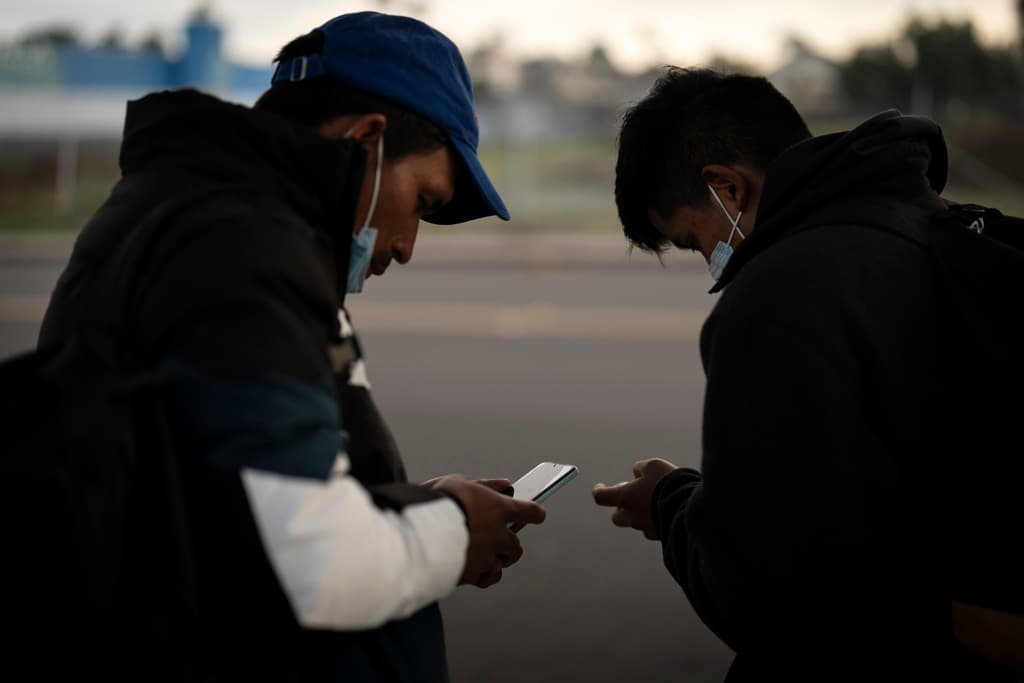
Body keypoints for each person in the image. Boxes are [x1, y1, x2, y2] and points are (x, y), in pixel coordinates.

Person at [38, 11, 544, 682]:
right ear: (368, 137)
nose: (406, 245)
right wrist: (451, 531)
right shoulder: (241, 249)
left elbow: (225, 508)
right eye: (421, 201)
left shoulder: (201, 215)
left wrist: (411, 507)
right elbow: (306, 565)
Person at [592, 67, 1018, 681]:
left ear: (726, 189)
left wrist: (670, 505)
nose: (708, 261)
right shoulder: (939, 226)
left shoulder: (780, 297)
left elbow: (764, 595)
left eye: (693, 240)